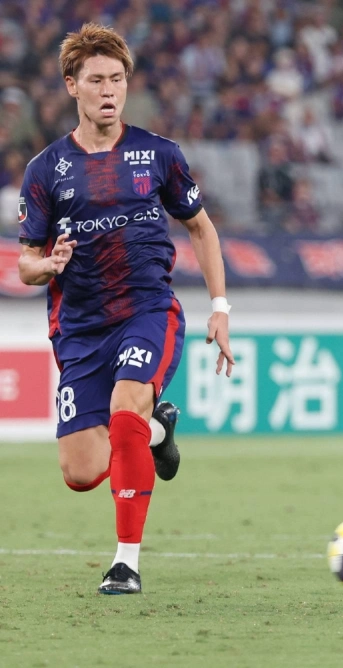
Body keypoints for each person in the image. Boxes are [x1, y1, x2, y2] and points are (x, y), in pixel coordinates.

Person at [16, 23, 235, 595]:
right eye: (96, 80)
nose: (109, 90)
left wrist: (219, 306)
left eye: (117, 79)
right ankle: (158, 436)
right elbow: (24, 265)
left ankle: (126, 563)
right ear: (72, 86)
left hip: (147, 311)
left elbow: (202, 231)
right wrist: (50, 263)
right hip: (79, 327)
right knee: (82, 472)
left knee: (124, 413)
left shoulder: (158, 154)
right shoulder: (46, 170)